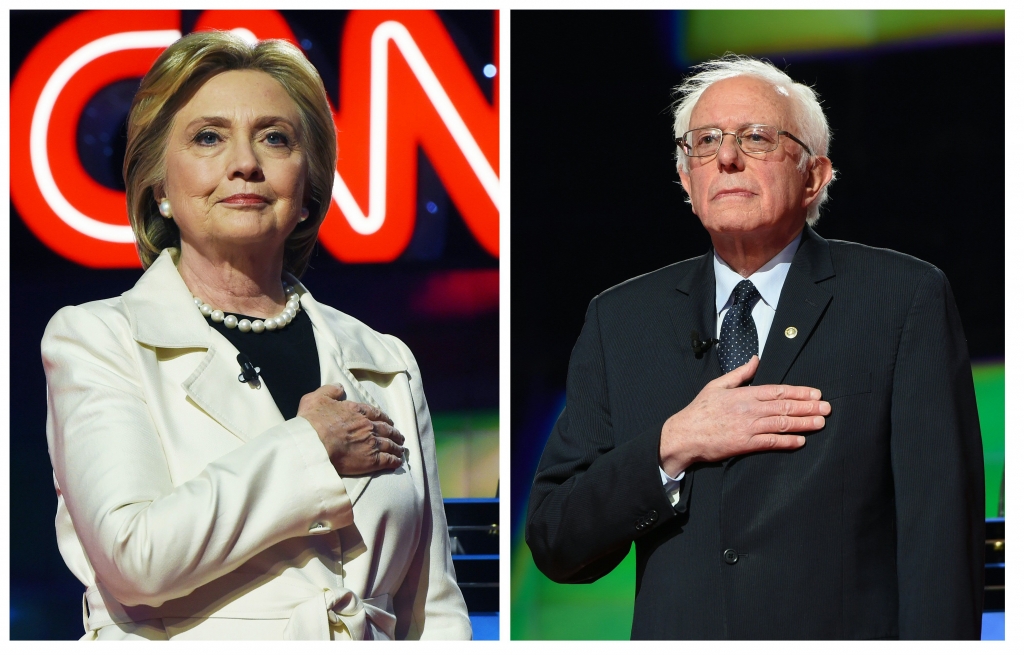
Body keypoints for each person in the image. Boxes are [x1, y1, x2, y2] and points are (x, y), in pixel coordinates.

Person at [526, 55, 985, 640]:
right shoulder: (620, 319)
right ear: (687, 180)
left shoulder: (903, 299)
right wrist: (673, 445)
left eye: (757, 137)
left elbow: (940, 538)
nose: (726, 157)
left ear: (813, 175)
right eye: (705, 141)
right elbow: (554, 538)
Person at [42, 31, 470, 640]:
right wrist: (309, 448)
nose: (245, 162)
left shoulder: (385, 362)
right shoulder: (97, 339)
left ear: (306, 190)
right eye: (208, 137)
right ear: (159, 186)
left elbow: (434, 611)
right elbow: (132, 555)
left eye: (275, 137)